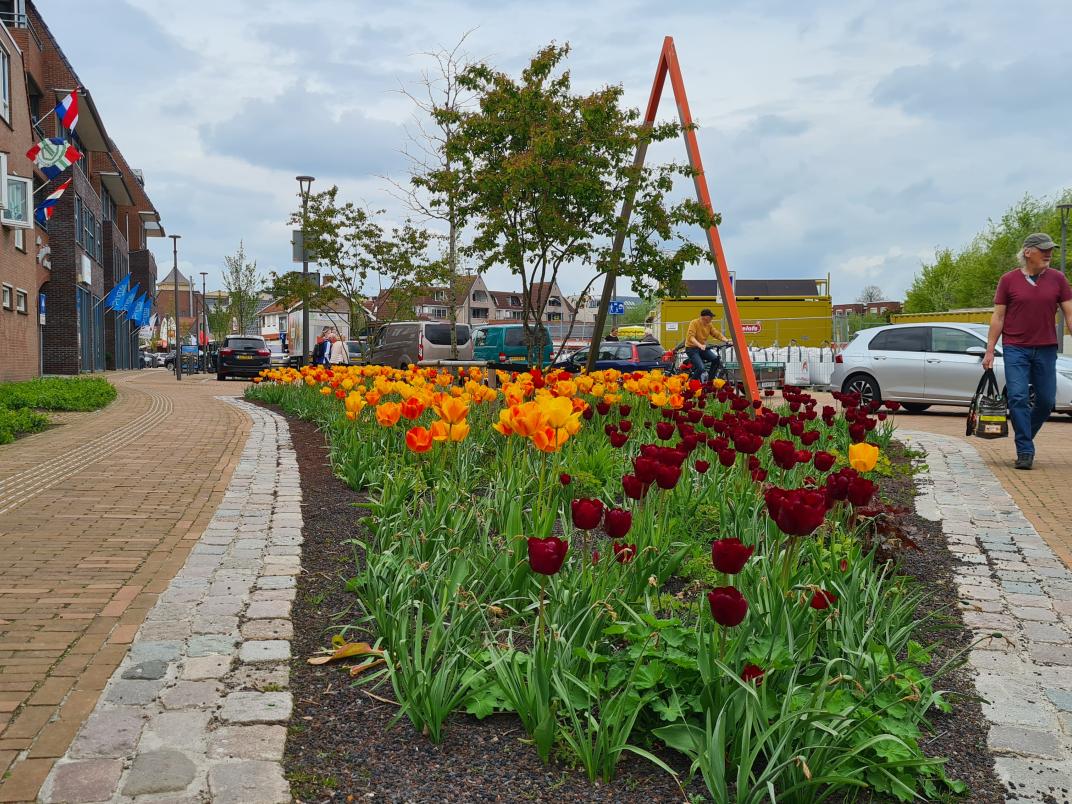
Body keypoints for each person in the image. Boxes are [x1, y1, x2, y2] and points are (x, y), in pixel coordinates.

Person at [983, 232, 1072, 469]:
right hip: (1015, 348)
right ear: (1028, 252)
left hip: (1046, 348)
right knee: (1018, 397)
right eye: (1043, 250)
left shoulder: (1058, 279)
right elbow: (998, 317)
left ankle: (1024, 437)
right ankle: (1025, 450)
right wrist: (990, 350)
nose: (1048, 254)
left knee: (1045, 401)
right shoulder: (1008, 280)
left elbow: (1069, 313)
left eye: (1050, 249)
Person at [684, 308, 728, 381]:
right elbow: (691, 337)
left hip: (702, 348)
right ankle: (691, 384)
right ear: (705, 317)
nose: (712, 319)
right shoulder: (694, 323)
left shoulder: (709, 324)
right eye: (711, 317)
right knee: (701, 368)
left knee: (716, 359)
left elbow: (716, 333)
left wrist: (726, 340)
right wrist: (700, 345)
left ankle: (710, 381)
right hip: (691, 349)